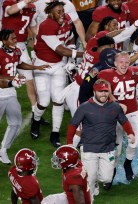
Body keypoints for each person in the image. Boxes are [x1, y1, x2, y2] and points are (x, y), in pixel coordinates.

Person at [66, 79, 135, 198]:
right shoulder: (84, 107)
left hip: (107, 148)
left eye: (106, 91)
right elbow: (73, 125)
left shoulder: (115, 107)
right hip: (89, 148)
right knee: (90, 179)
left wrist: (130, 133)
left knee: (107, 178)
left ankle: (96, 182)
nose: (103, 94)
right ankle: (90, 198)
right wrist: (69, 143)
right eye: (100, 91)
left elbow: (124, 121)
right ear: (94, 92)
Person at [30, 1, 83, 148]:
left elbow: (71, 36)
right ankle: (35, 121)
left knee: (58, 100)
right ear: (50, 13)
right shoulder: (47, 25)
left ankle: (55, 133)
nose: (61, 14)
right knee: (45, 101)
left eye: (62, 11)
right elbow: (61, 50)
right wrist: (85, 54)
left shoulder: (66, 20)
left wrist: (72, 46)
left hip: (59, 64)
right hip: (42, 65)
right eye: (58, 12)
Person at [96, 52, 138, 182]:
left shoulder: (135, 72)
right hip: (113, 114)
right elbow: (104, 92)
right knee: (116, 149)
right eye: (121, 62)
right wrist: (115, 103)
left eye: (127, 62)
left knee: (134, 143)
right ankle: (112, 170)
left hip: (132, 112)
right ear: (115, 63)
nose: (124, 64)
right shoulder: (105, 74)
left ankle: (127, 163)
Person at [0, 29, 48, 164]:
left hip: (10, 94)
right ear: (4, 40)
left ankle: (3, 150)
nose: (16, 40)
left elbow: (19, 64)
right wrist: (12, 80)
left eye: (16, 38)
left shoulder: (16, 51)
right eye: (12, 38)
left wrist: (36, 68)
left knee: (15, 123)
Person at [2, 0, 38, 114]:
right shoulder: (9, 2)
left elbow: (33, 27)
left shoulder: (32, 7)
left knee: (29, 80)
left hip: (21, 47)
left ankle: (35, 112)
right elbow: (10, 10)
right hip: (4, 46)